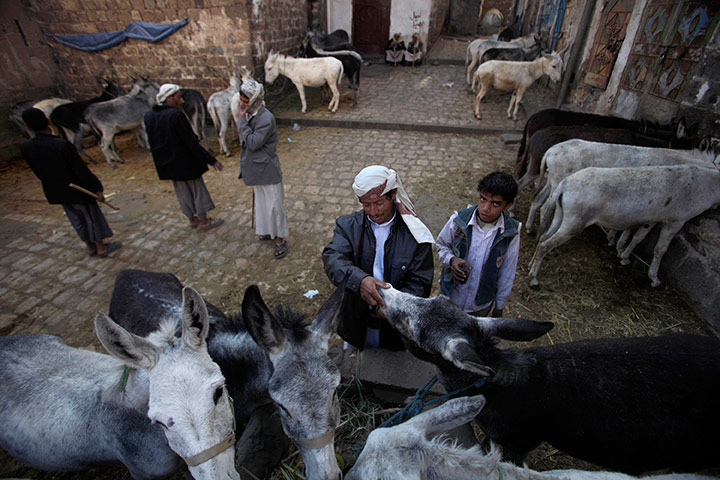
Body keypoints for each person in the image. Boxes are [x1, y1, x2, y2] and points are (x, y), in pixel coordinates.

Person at [322, 165, 435, 350]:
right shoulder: (347, 226)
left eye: (379, 203)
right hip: (356, 319)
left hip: (396, 327)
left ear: (393, 195)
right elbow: (333, 257)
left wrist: (393, 307)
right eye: (366, 205)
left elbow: (421, 282)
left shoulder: (416, 236)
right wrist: (360, 281)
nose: (373, 211)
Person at [19, 108, 121, 258]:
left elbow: (37, 171)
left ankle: (90, 247)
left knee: (76, 219)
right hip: (78, 189)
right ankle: (100, 248)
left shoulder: (26, 147)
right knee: (90, 216)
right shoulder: (61, 145)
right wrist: (96, 188)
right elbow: (80, 170)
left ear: (27, 126)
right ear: (48, 122)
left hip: (57, 190)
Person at [437, 171, 520, 317]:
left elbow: (507, 271)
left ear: (508, 205)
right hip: (450, 298)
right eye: (483, 199)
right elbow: (441, 245)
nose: (486, 208)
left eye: (496, 203)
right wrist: (452, 260)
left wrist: (499, 305)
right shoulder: (459, 220)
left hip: (480, 306)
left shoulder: (511, 232)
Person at [144, 83, 224, 230]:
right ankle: (204, 221)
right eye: (178, 98)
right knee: (197, 190)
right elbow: (190, 141)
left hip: (168, 163)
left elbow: (152, 142)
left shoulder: (149, 116)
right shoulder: (175, 115)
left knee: (181, 191)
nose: (182, 101)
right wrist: (211, 160)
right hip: (185, 161)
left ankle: (192, 220)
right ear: (169, 98)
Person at [234, 79, 289, 259]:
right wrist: (243, 120)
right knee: (262, 204)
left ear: (256, 100)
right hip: (256, 169)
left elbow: (253, 142)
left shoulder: (266, 118)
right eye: (241, 99)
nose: (241, 104)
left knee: (274, 206)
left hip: (267, 169)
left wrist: (241, 122)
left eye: (245, 100)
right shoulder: (250, 114)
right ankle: (266, 230)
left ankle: (280, 239)